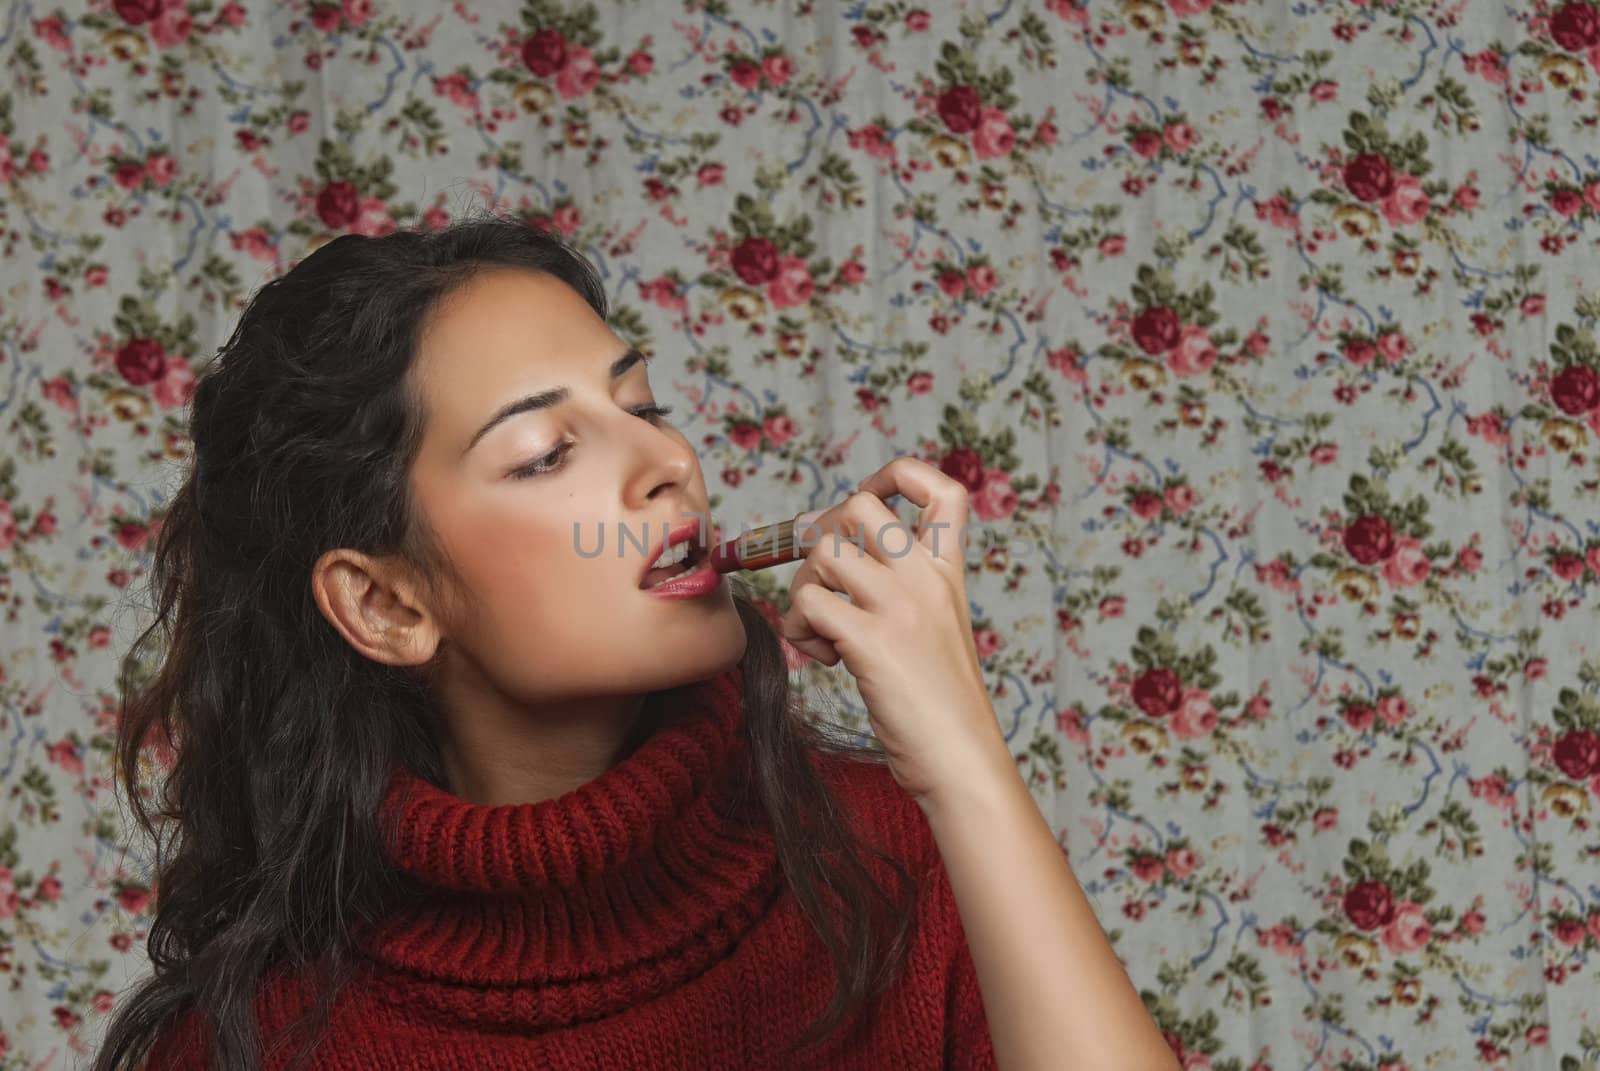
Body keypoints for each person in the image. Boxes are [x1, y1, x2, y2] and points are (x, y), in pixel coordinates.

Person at [93, 213, 1178, 1070]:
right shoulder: (259, 1042)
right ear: (387, 607)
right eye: (545, 453)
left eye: (644, 405)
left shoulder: (890, 862)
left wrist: (965, 766)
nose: (669, 467)